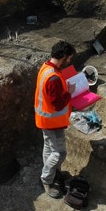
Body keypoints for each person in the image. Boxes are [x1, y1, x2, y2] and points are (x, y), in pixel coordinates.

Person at [34, 40, 76, 198]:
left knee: (48, 148)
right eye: (69, 58)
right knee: (59, 153)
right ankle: (47, 179)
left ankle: (53, 173)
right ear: (64, 56)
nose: (69, 61)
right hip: (52, 122)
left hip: (45, 120)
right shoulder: (54, 79)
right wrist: (70, 92)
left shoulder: (47, 67)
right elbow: (58, 104)